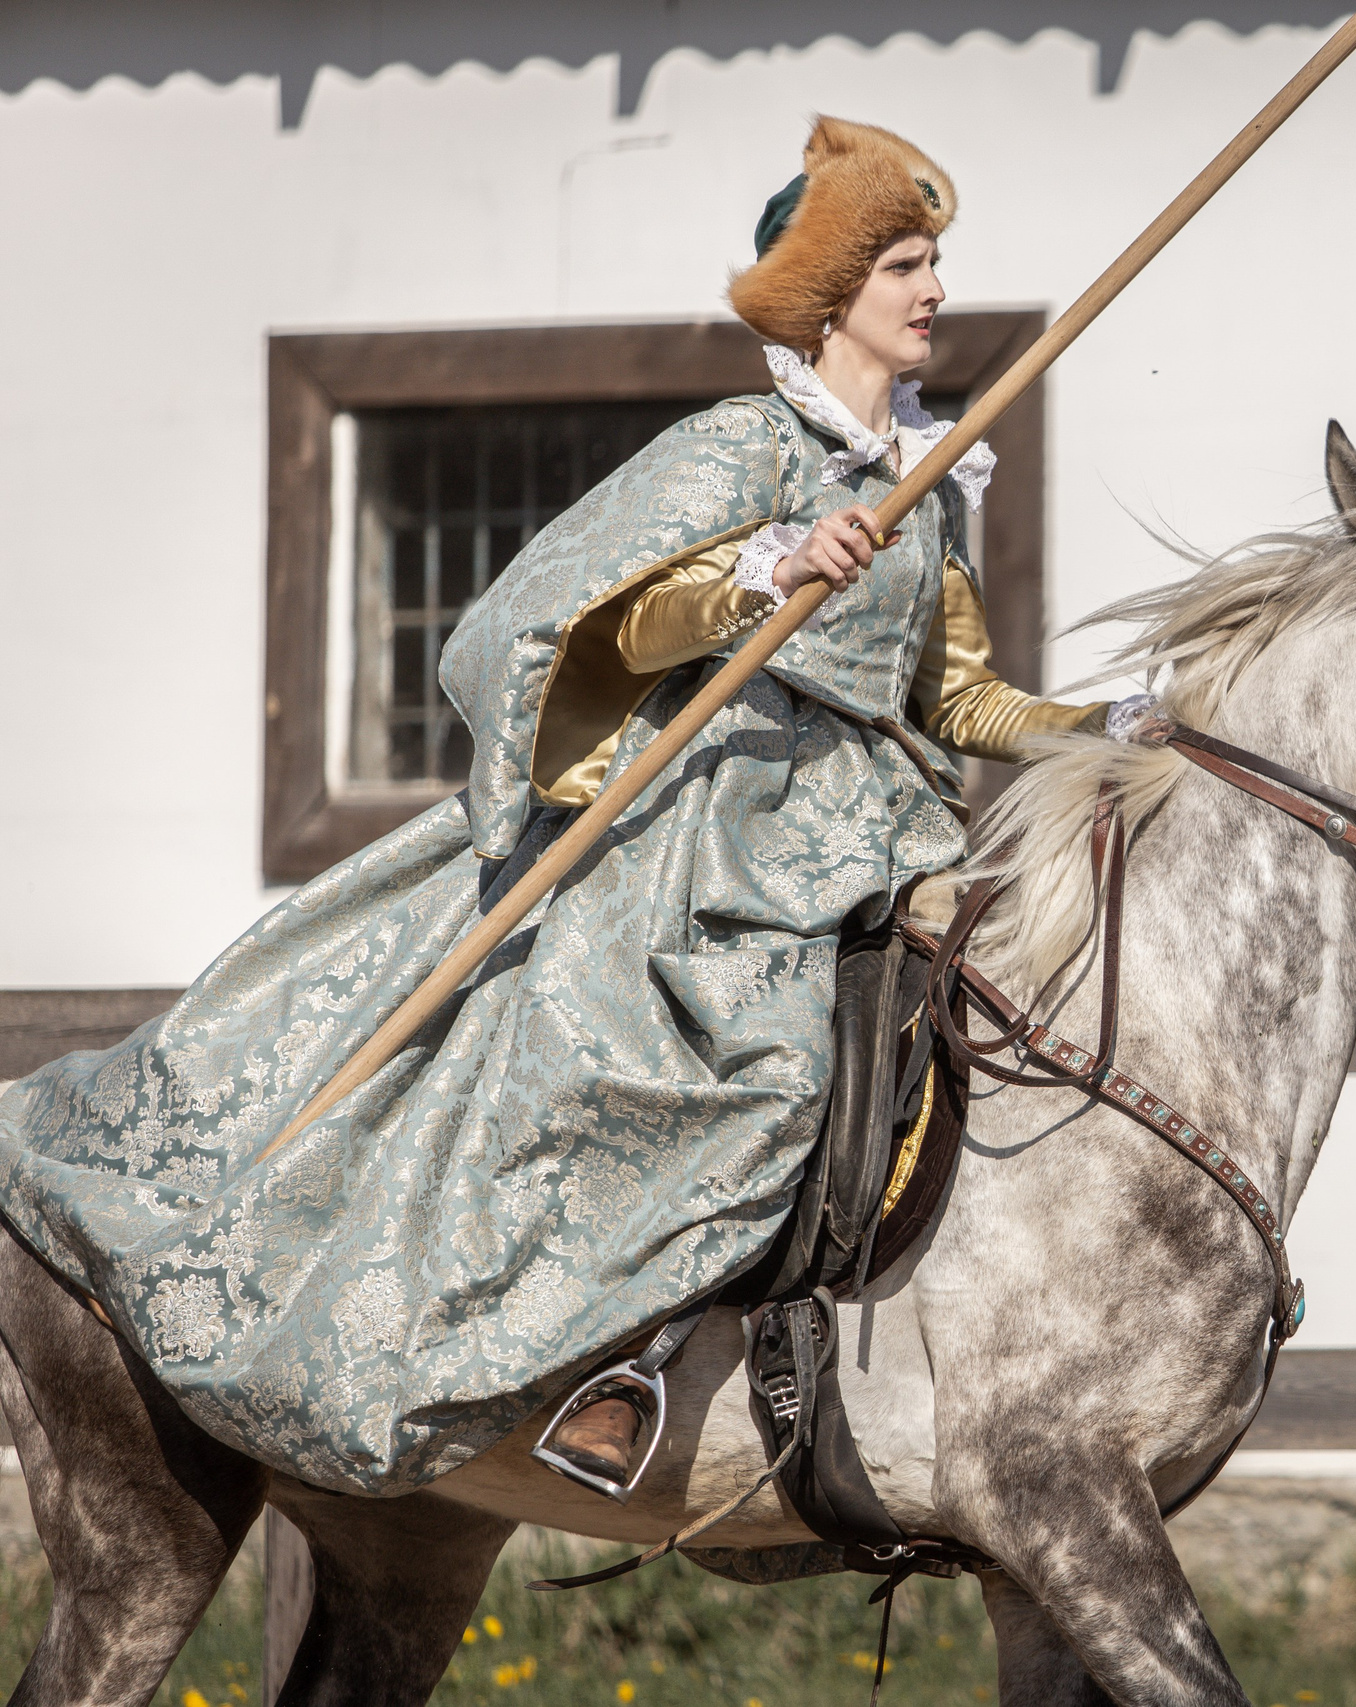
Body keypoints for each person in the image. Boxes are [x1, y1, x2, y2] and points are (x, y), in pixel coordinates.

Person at [0, 118, 1111, 1497]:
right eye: (906, 262)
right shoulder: (742, 452)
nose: (934, 289)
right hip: (725, 833)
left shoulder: (935, 477)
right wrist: (767, 572)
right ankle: (624, 1356)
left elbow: (959, 703)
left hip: (882, 829)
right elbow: (582, 615)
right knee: (756, 1066)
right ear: (832, 294)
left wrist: (1107, 731)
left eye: (936, 261)